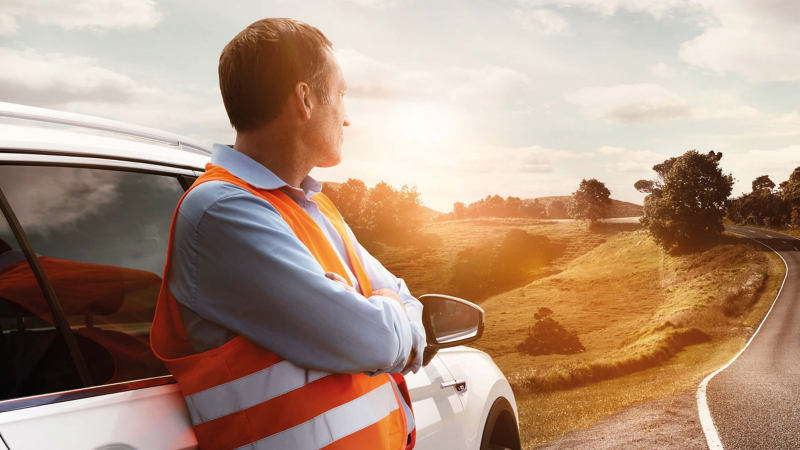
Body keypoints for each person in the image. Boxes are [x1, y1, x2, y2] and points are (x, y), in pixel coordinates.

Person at [150, 18, 425, 450]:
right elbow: (373, 340)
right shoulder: (221, 211)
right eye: (341, 96)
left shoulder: (315, 207)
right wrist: (378, 307)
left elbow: (406, 301)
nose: (347, 118)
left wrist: (376, 307)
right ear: (305, 99)